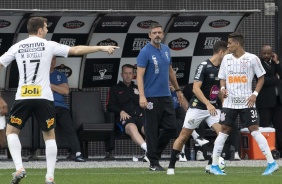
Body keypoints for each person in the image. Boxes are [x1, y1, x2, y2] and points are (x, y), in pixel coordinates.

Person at [0, 17, 118, 184]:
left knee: (11, 132)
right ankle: (49, 177)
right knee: (49, 136)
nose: (47, 30)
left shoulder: (17, 46)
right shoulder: (49, 45)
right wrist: (101, 47)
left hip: (24, 97)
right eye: (46, 28)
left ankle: (19, 168)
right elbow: (76, 50)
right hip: (44, 98)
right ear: (40, 30)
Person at [209, 32, 278, 176]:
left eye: (230, 43)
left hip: (247, 101)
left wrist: (255, 94)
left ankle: (271, 163)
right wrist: (222, 89)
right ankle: (214, 165)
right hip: (229, 102)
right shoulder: (226, 58)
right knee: (224, 131)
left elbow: (261, 78)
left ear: (237, 44)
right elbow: (222, 78)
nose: (228, 46)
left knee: (254, 129)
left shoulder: (252, 59)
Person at [167, 40, 229, 175]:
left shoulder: (223, 68)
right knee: (183, 136)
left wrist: (224, 103)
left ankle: (211, 165)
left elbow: (217, 90)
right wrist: (207, 103)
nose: (229, 57)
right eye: (227, 53)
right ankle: (171, 166)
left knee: (222, 134)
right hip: (198, 107)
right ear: (221, 52)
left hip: (213, 108)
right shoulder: (204, 66)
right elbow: (195, 88)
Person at [136, 23, 183, 171]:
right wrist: (142, 96)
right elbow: (139, 75)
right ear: (149, 35)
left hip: (166, 95)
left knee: (171, 128)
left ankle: (153, 154)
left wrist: (178, 90)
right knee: (152, 130)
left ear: (162, 35)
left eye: (159, 32)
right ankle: (153, 163)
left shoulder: (166, 49)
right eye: (154, 33)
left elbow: (170, 72)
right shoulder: (145, 52)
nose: (157, 35)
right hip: (150, 97)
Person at [106, 64, 148, 162]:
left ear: (134, 74)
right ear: (121, 74)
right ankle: (148, 149)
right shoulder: (115, 88)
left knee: (147, 128)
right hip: (124, 116)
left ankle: (147, 154)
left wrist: (143, 111)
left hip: (139, 115)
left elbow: (145, 102)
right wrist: (120, 111)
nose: (128, 76)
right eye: (125, 73)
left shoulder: (138, 87)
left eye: (130, 73)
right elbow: (109, 106)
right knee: (132, 127)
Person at [50, 56, 85, 162]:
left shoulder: (60, 74)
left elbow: (65, 91)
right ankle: (52, 156)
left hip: (61, 107)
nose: (52, 61)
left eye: (54, 59)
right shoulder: (40, 75)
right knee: (50, 129)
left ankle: (77, 153)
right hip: (46, 106)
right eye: (50, 59)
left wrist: (50, 85)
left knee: (69, 128)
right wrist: (58, 87)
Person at [170, 83, 209, 162]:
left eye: (171, 81)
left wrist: (178, 92)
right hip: (167, 114)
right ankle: (183, 151)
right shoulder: (162, 91)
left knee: (191, 120)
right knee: (179, 124)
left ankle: (198, 151)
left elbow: (187, 107)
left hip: (179, 114)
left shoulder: (176, 91)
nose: (170, 83)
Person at [256, 45, 282, 156]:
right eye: (264, 53)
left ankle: (280, 150)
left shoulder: (274, 63)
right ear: (261, 53)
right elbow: (263, 81)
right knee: (265, 126)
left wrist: (277, 62)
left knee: (279, 126)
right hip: (264, 102)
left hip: (278, 101)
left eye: (268, 53)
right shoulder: (258, 63)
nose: (266, 56)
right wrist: (276, 79)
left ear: (272, 53)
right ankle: (264, 152)